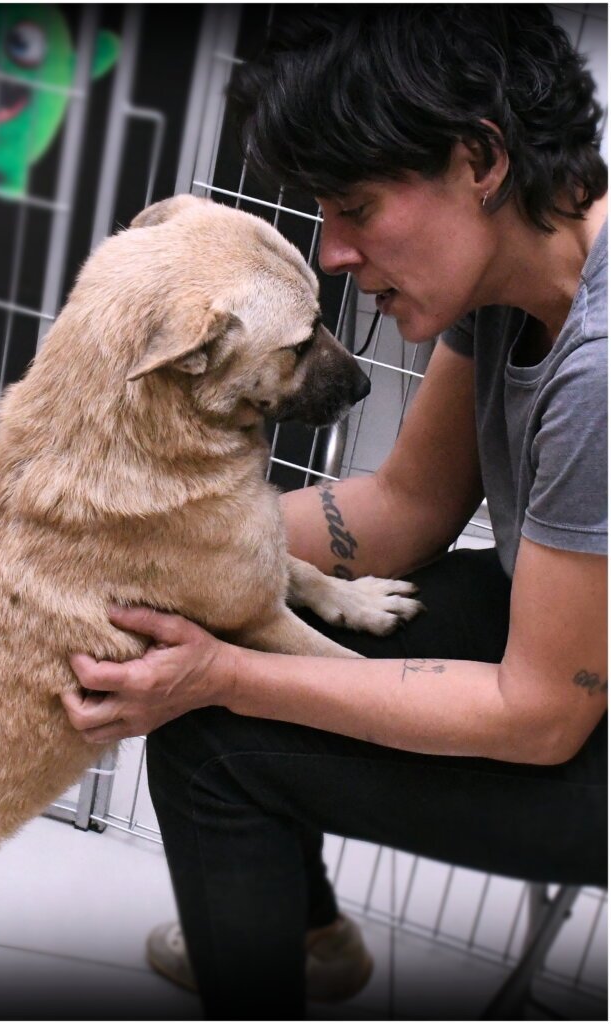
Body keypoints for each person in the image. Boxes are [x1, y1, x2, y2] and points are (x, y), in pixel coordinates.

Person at [62, 6, 607, 1019]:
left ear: (480, 159)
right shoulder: (519, 267)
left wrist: (226, 672)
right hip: (570, 638)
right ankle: (299, 942)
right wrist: (140, 543)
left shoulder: (601, 370)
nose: (332, 251)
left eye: (355, 206)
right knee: (224, 664)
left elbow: (539, 715)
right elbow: (404, 507)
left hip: (570, 710)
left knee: (211, 723)